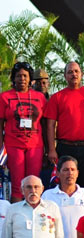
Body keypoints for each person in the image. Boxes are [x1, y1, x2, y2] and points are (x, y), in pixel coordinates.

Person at [45, 62, 84, 188]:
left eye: (76, 71)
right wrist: (51, 149)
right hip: (65, 147)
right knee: (65, 184)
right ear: (65, 76)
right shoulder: (57, 97)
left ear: (81, 74)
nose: (74, 74)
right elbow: (50, 125)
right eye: (70, 72)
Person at [0, 61, 47, 202]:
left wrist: (50, 148)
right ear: (13, 78)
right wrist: (0, 149)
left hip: (35, 145)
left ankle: (35, 215)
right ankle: (17, 217)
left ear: (30, 78)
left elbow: (45, 124)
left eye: (25, 76)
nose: (22, 79)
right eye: (19, 76)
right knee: (18, 184)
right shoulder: (4, 97)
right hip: (13, 144)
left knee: (34, 183)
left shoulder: (39, 97)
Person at [41, 156, 84, 238]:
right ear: (57, 173)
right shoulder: (48, 195)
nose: (70, 173)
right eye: (65, 170)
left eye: (73, 170)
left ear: (77, 173)